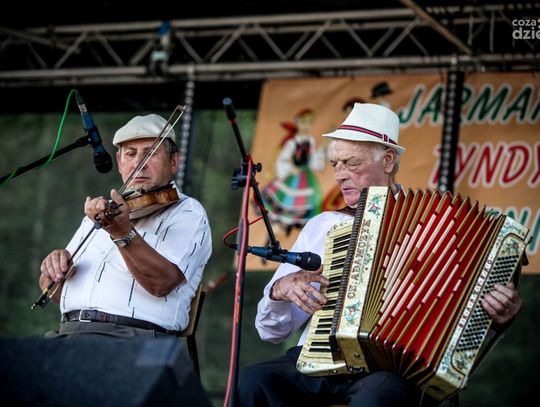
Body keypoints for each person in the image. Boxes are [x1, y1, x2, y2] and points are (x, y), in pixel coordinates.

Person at [237, 103, 523, 406]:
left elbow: (459, 320)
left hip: (391, 369)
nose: (340, 175)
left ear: (387, 161)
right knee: (252, 381)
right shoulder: (325, 225)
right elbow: (271, 331)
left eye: (351, 163)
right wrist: (278, 291)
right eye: (335, 164)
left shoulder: (439, 227)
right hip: (319, 358)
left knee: (377, 397)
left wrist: (496, 319)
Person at [38, 113, 212, 338]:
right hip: (69, 334)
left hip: (132, 338)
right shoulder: (102, 212)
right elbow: (54, 292)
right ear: (120, 163)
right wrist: (53, 269)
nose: (139, 163)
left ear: (174, 162)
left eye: (151, 153)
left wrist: (122, 233)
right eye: (130, 154)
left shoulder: (188, 213)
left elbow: (161, 284)